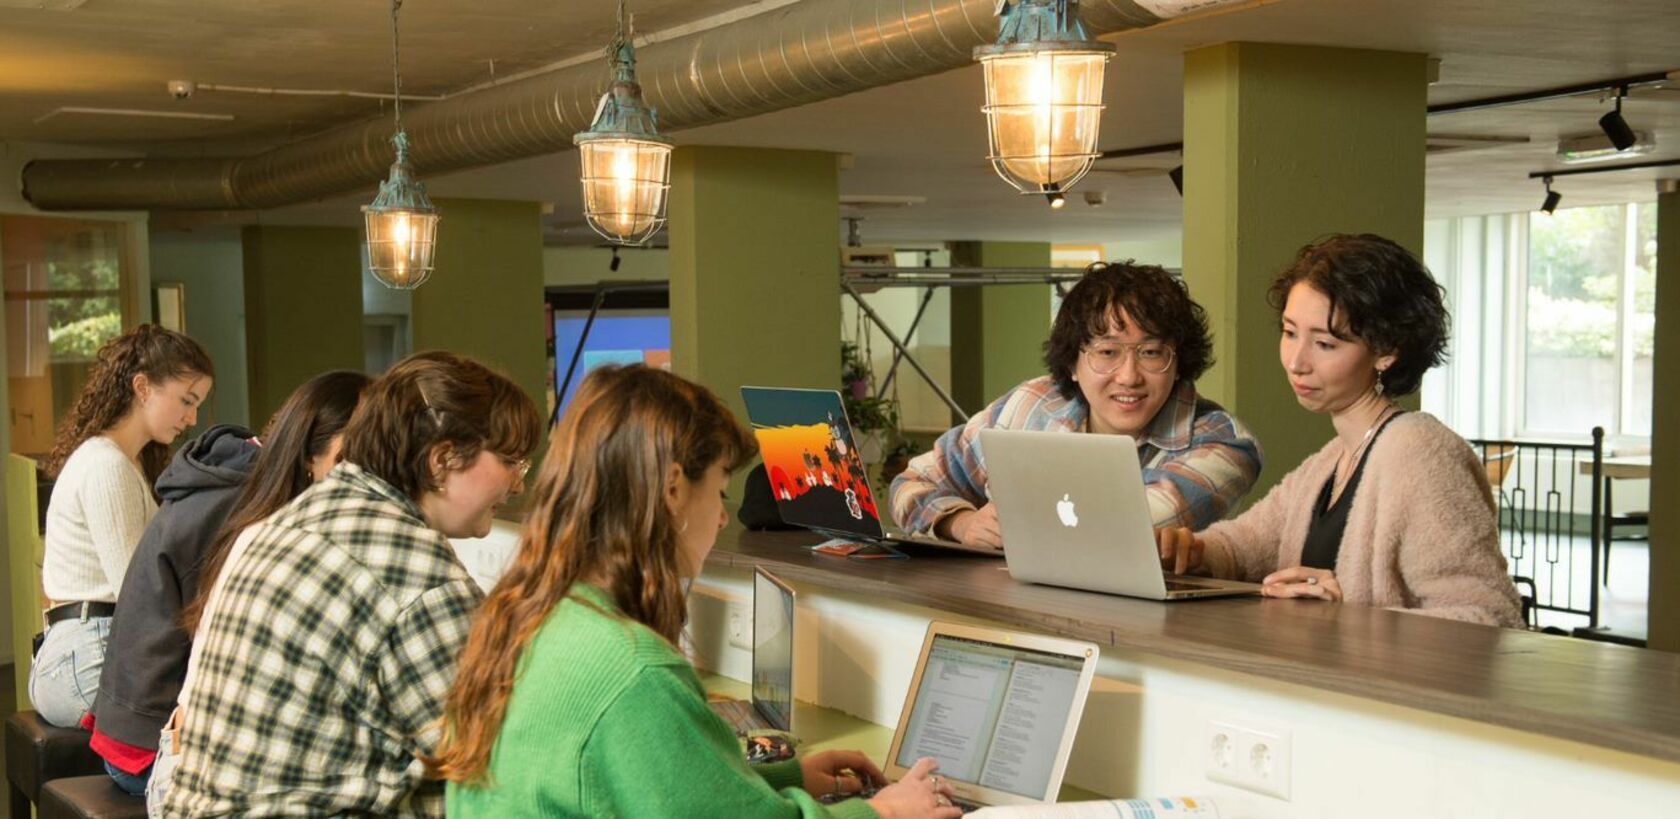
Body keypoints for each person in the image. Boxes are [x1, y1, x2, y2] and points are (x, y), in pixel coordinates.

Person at [435, 365, 960, 819]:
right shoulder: (634, 671)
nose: (723, 516)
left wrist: (786, 777)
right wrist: (882, 811)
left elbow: (650, 786)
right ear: (672, 489)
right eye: (719, 491)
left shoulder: (529, 616)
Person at [159, 352, 541, 817]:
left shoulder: (297, 519)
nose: (518, 485)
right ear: (442, 460)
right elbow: (497, 767)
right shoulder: (418, 575)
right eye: (512, 461)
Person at [1157, 234, 1522, 627]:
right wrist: (1190, 550)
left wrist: (1346, 619)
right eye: (1290, 333)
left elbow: (1492, 618)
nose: (1296, 362)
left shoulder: (1419, 451)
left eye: (1325, 344)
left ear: (1386, 351)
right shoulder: (1330, 461)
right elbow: (1244, 546)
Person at [89, 370, 371, 798]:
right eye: (355, 457)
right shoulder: (244, 508)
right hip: (149, 747)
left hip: (140, 724)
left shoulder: (243, 484)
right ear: (310, 451)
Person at [891, 262, 1262, 548]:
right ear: (1072, 363)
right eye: (1107, 352)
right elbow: (912, 483)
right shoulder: (1033, 403)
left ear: (1178, 362)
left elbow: (1124, 531)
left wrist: (1015, 522)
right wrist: (960, 523)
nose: (1129, 376)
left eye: (1151, 352)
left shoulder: (1222, 442)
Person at [32, 324, 214, 728]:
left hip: (86, 653)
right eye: (186, 400)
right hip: (86, 663)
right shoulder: (106, 465)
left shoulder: (124, 462)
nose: (192, 418)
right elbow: (137, 594)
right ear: (142, 387)